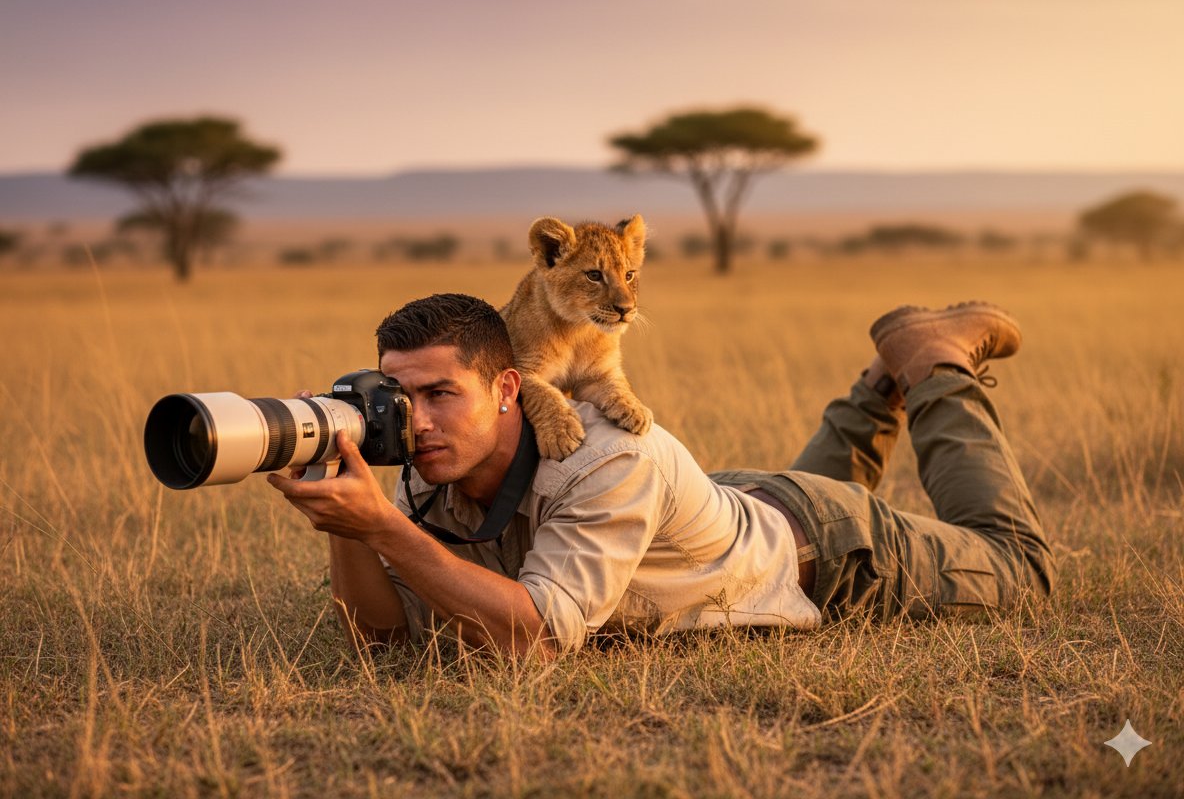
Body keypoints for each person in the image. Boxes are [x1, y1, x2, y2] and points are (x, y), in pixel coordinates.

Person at [267, 295, 1055, 658]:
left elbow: (535, 640)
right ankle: (882, 379)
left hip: (829, 555)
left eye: (441, 394)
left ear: (509, 389)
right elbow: (381, 640)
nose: (418, 422)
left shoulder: (609, 457)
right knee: (761, 502)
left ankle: (936, 359)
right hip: (720, 511)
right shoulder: (426, 469)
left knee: (1018, 566)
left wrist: (384, 528)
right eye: (400, 398)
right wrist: (342, 522)